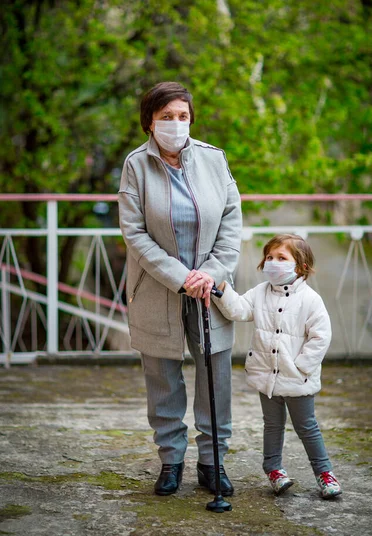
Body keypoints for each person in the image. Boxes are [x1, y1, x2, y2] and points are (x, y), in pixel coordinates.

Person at [118, 81, 242, 496]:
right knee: (163, 381)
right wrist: (180, 277)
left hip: (211, 289)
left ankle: (213, 462)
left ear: (191, 118)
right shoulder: (136, 165)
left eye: (182, 116)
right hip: (157, 289)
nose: (175, 124)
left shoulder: (213, 159)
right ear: (149, 122)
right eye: (166, 117)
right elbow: (134, 233)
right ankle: (171, 462)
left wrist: (211, 272)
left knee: (215, 377)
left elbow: (231, 223)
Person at [212, 233, 342, 500]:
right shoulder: (259, 293)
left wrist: (301, 366)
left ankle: (324, 472)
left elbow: (321, 336)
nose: (273, 262)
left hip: (298, 378)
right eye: (269, 257)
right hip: (266, 376)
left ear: (300, 266)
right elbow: (238, 310)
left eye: (281, 258)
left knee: (307, 426)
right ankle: (273, 469)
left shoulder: (310, 299)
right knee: (272, 424)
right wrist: (220, 289)